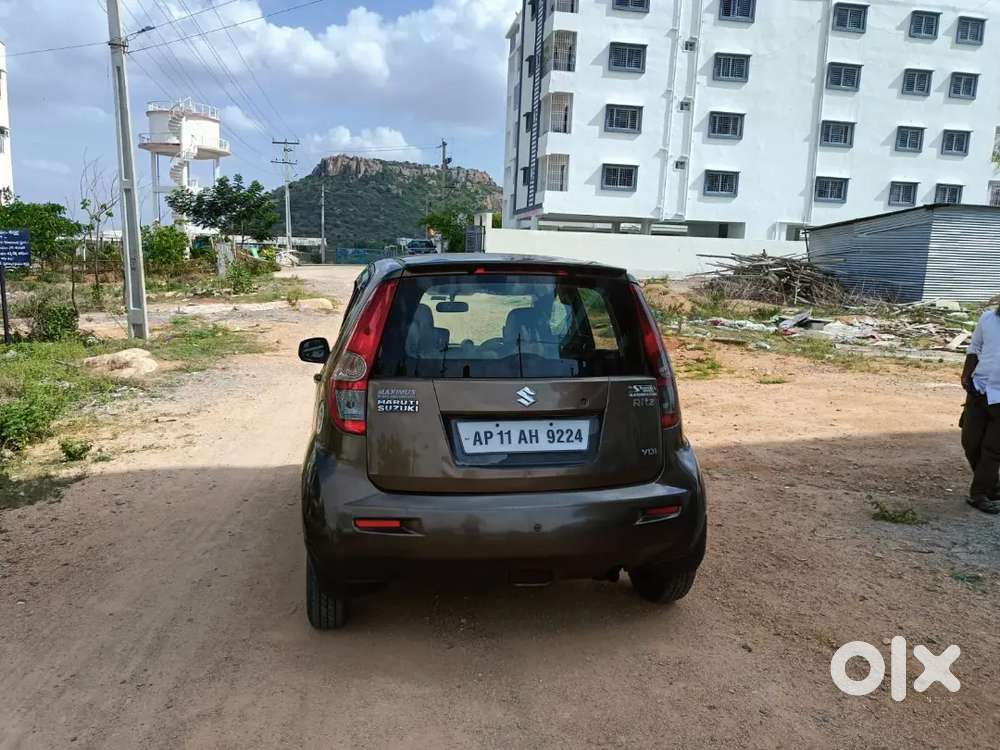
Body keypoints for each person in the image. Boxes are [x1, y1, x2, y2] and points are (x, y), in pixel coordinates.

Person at [961, 307, 1000, 514]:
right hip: (979, 389)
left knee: (993, 449)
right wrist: (966, 374)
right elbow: (975, 347)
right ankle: (992, 487)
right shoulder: (988, 318)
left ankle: (980, 494)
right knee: (970, 441)